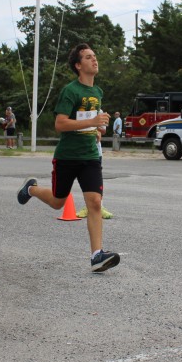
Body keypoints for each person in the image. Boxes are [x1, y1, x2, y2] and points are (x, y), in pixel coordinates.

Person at [17, 43, 119, 273]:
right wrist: (92, 122)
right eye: (88, 57)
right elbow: (60, 124)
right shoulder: (70, 91)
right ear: (78, 65)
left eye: (94, 56)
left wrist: (97, 129)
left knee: (94, 202)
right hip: (67, 157)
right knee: (57, 202)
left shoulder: (97, 92)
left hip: (90, 156)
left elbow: (87, 120)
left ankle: (96, 255)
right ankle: (31, 188)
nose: (94, 60)